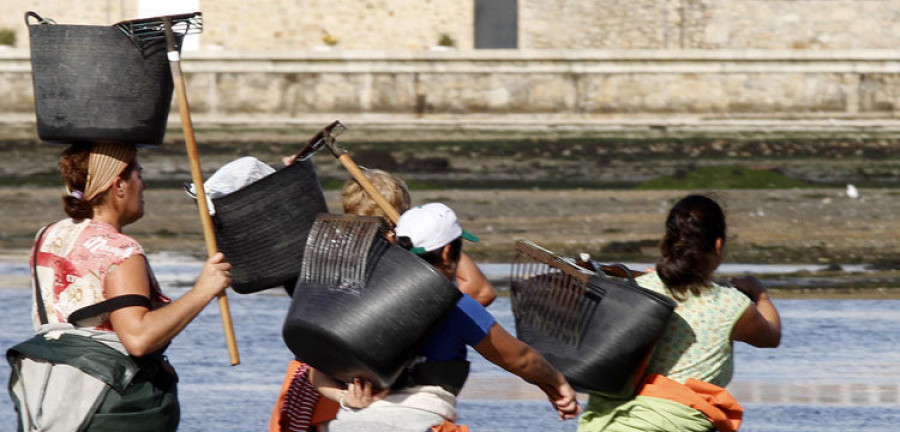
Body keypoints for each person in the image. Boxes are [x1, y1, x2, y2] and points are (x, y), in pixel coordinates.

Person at [7, 143, 233, 431]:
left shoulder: (50, 234)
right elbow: (139, 339)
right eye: (139, 174)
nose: (146, 184)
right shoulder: (121, 251)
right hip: (104, 402)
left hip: (51, 397)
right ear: (119, 185)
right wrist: (203, 291)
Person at [310, 202, 581, 431]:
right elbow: (519, 359)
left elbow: (315, 372)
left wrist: (345, 398)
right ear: (450, 252)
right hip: (422, 423)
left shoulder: (359, 295)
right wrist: (555, 380)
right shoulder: (456, 307)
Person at [270, 168, 496, 432]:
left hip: (321, 376)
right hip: (347, 383)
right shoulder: (395, 264)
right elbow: (480, 291)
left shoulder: (328, 247)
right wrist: (441, 240)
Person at [578, 194, 782, 432]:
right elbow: (771, 336)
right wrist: (761, 296)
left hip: (611, 424)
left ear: (665, 243)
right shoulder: (731, 305)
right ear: (717, 246)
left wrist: (651, 280)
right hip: (677, 422)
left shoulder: (639, 290)